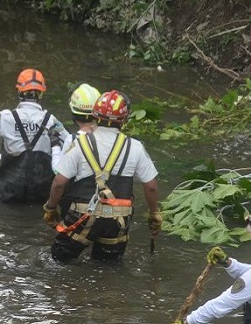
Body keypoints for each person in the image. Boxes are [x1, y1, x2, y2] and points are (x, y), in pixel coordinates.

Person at [42, 90, 162, 263]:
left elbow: (59, 183)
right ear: (124, 120)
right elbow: (151, 186)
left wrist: (51, 208)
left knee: (58, 261)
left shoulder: (80, 144)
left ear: (95, 116)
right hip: (118, 221)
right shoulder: (135, 147)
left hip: (81, 217)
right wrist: (154, 213)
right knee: (108, 268)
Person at [0, 68, 70, 204]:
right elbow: (72, 144)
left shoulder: (5, 118)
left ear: (19, 92)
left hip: (10, 192)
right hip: (41, 195)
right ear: (40, 94)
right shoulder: (52, 121)